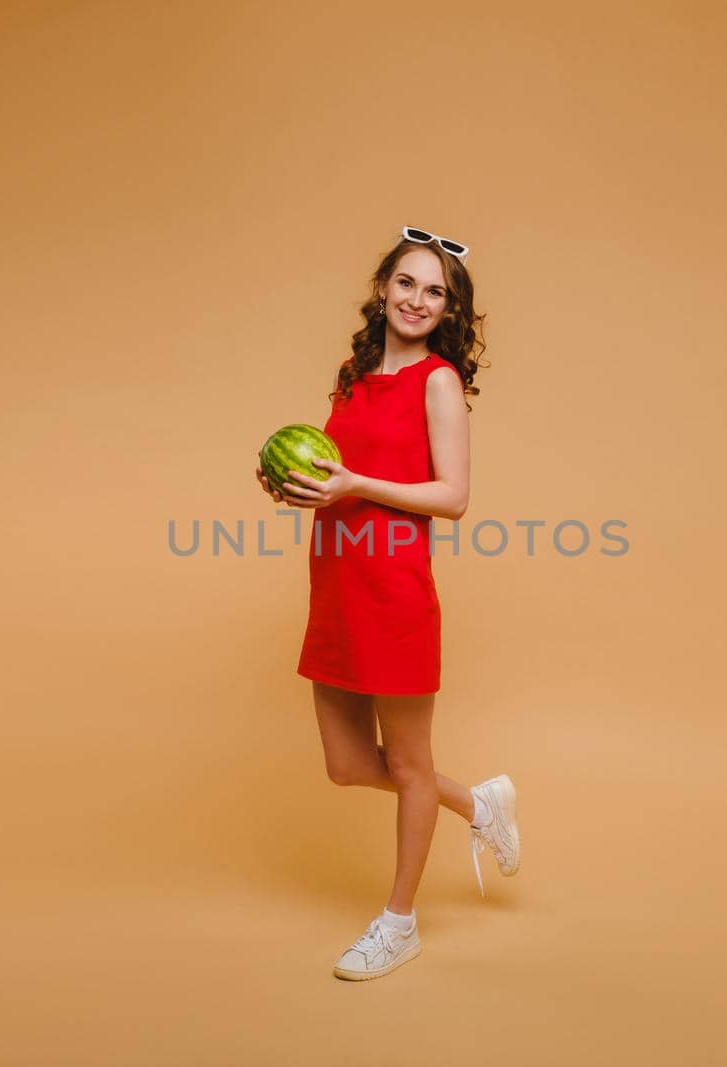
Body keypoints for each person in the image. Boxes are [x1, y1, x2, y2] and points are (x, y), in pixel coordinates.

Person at [252, 226, 520, 981]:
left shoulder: (436, 381)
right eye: (407, 282)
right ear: (382, 287)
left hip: (395, 589)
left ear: (449, 309)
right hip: (335, 582)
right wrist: (297, 483)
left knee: (407, 762)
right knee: (345, 765)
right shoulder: (352, 371)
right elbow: (335, 467)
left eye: (435, 291)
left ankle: (399, 922)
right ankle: (478, 803)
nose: (417, 299)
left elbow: (453, 497)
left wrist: (355, 486)